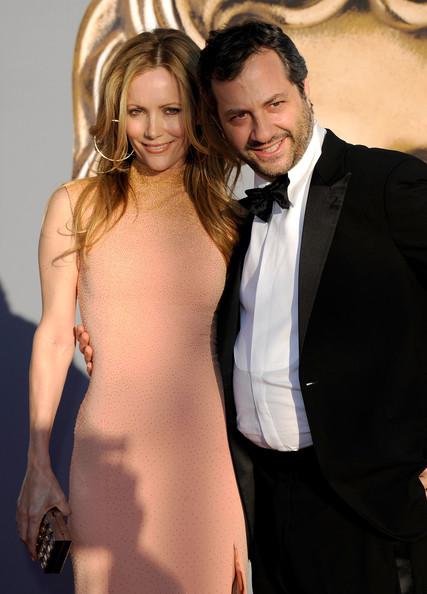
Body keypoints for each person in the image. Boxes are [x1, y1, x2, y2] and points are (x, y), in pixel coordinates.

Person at [196, 20, 427, 594]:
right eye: (238, 115)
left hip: (369, 505)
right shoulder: (238, 221)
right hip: (271, 507)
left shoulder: (386, 184)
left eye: (274, 103)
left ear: (303, 91)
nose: (260, 130)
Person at [16, 28, 248, 594]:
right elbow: (52, 336)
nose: (153, 130)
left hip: (209, 461)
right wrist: (38, 461)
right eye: (136, 111)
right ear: (117, 117)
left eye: (171, 109)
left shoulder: (229, 218)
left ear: (196, 112)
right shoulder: (77, 205)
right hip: (111, 460)